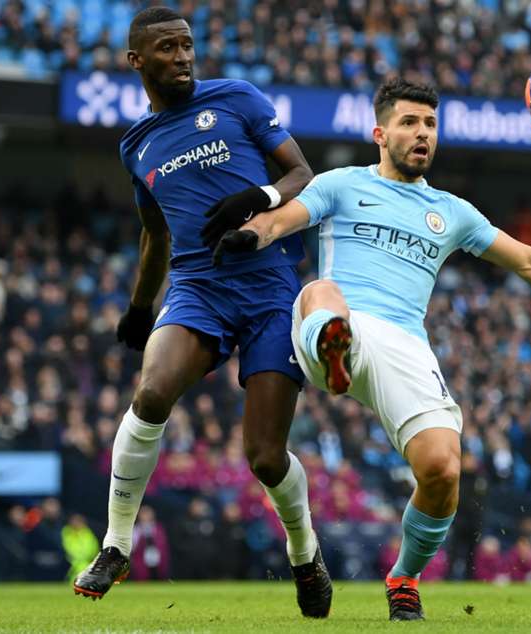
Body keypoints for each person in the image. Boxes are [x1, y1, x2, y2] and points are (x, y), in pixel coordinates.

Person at [213, 77, 531, 621]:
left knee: (442, 469)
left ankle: (404, 578)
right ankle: (333, 350)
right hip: (338, 317)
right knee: (321, 292)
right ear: (380, 132)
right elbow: (282, 218)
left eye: (431, 125)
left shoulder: (452, 212)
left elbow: (530, 263)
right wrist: (251, 235)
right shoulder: (340, 184)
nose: (423, 134)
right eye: (410, 123)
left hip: (404, 343)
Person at [72, 7, 332, 619]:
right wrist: (140, 308)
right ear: (137, 61)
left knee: (265, 458)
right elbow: (154, 233)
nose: (183, 57)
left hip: (270, 286)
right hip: (197, 288)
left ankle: (304, 550)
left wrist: (260, 197)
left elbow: (302, 174)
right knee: (152, 393)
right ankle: (115, 545)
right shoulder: (136, 143)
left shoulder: (237, 98)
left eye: (188, 46)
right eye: (167, 48)